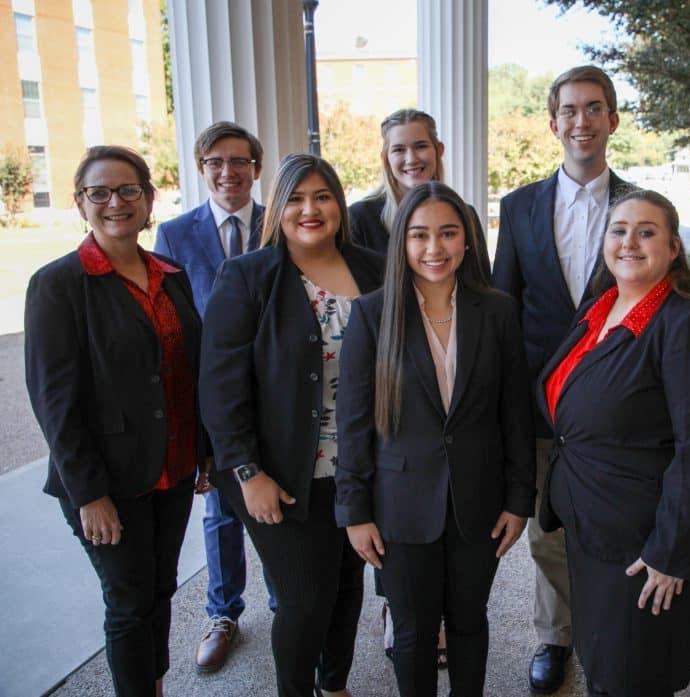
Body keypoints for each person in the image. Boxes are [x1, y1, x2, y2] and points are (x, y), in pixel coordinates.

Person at [335, 182, 535, 697]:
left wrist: (519, 500)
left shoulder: (496, 311)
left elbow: (514, 412)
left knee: (469, 621)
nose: (434, 248)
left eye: (448, 233)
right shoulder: (373, 314)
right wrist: (355, 512)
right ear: (401, 243)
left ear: (467, 240)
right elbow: (354, 423)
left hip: (480, 501)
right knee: (413, 631)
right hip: (400, 506)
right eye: (420, 235)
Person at [538, 190, 690, 697]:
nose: (629, 241)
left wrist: (672, 552)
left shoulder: (688, 322)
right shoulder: (598, 307)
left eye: (646, 231)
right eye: (618, 230)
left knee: (634, 675)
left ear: (673, 248)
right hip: (591, 527)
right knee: (605, 666)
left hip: (644, 542)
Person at [199, 153, 383, 697]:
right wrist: (247, 471)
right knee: (305, 599)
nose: (310, 209)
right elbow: (219, 385)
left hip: (361, 467)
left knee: (349, 582)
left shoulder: (375, 268)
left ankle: (335, 685)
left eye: (322, 196)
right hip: (278, 473)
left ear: (339, 205)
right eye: (296, 199)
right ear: (277, 208)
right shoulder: (247, 276)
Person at [25, 145, 204, 697]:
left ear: (149, 199)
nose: (115, 202)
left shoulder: (168, 275)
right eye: (98, 192)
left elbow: (187, 373)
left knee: (161, 589)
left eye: (128, 190)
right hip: (107, 481)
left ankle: (153, 685)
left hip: (171, 471)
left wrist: (207, 454)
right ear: (81, 203)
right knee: (128, 602)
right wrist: (89, 493)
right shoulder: (59, 284)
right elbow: (53, 399)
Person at [491, 64, 634, 694]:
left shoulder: (640, 208)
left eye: (594, 108)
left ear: (612, 120)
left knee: (607, 528)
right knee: (547, 531)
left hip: (615, 405)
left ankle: (605, 630)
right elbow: (503, 305)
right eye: (570, 110)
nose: (582, 120)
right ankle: (556, 636)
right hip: (539, 401)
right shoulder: (519, 206)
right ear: (553, 123)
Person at [154, 120, 276, 672]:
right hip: (214, 396)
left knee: (281, 504)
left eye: (241, 162)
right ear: (202, 169)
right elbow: (173, 325)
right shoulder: (177, 234)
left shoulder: (281, 222)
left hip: (277, 393)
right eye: (216, 163)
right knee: (222, 509)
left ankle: (286, 605)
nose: (229, 172)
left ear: (256, 168)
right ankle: (223, 613)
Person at [349, 108, 490, 277]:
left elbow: (480, 285)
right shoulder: (360, 219)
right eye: (399, 150)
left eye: (421, 146)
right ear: (385, 158)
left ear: (439, 150)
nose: (411, 159)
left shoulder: (466, 215)